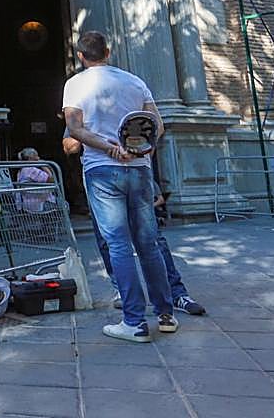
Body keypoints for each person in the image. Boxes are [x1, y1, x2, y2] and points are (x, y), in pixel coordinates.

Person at [62, 30, 177, 343]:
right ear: (108, 52)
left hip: (102, 170)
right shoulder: (134, 81)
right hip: (139, 170)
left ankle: (134, 321)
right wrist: (144, 150)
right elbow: (158, 125)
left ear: (81, 56)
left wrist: (108, 147)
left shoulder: (75, 84)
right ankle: (166, 314)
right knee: (148, 242)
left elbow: (74, 128)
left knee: (119, 244)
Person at [89, 179, 207, 317]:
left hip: (134, 172)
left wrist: (132, 156)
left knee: (153, 240)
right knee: (108, 241)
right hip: (98, 177)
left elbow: (150, 156)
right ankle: (124, 293)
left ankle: (176, 295)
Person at [15, 147, 57, 214]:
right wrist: (45, 166)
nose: (39, 158)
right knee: (64, 203)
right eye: (36, 156)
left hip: (27, 204)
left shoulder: (21, 170)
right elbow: (52, 180)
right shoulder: (32, 170)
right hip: (40, 204)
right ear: (30, 158)